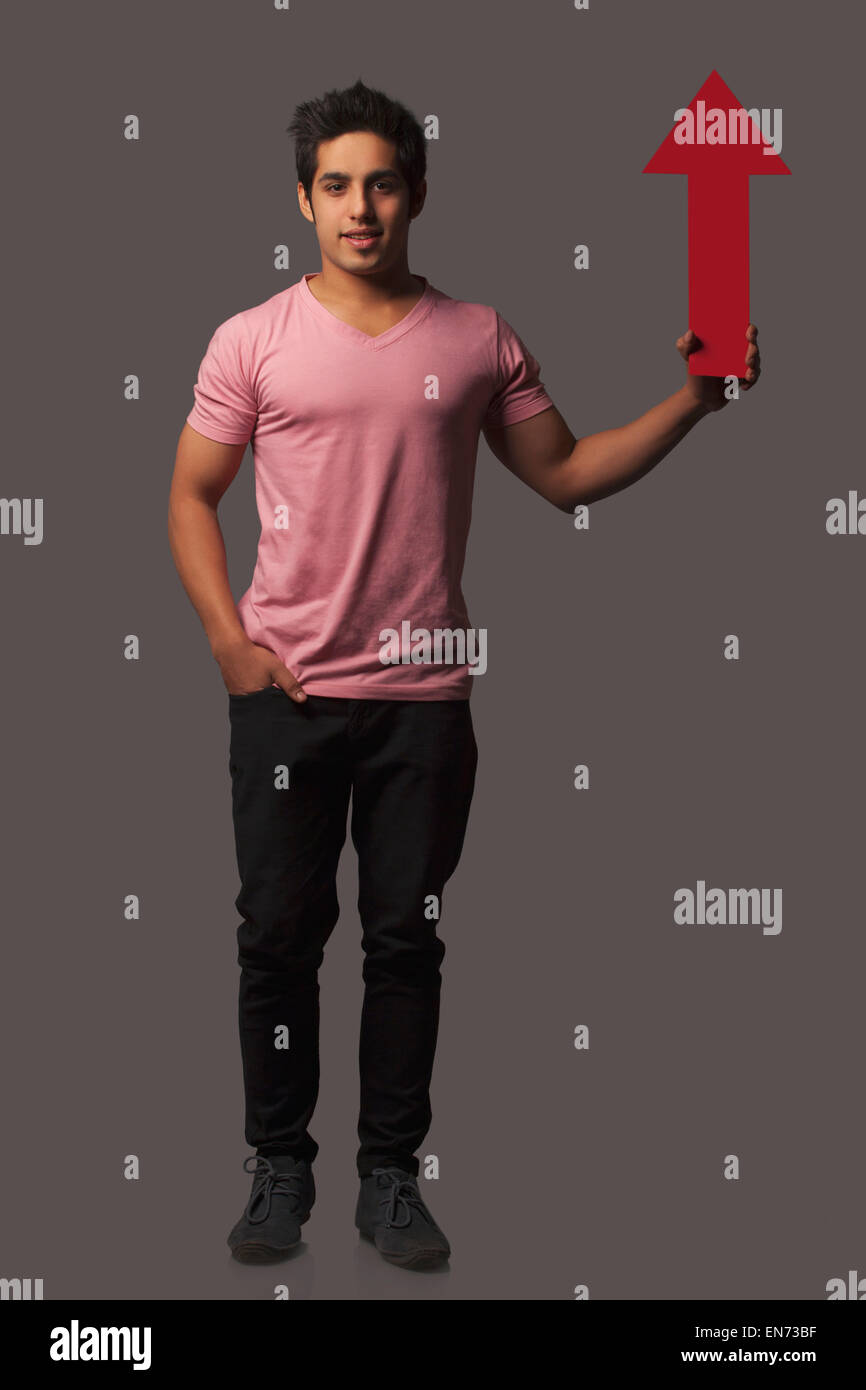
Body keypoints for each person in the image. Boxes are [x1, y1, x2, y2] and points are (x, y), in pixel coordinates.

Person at [167, 78, 761, 1271]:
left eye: (380, 182)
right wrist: (229, 642)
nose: (358, 206)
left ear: (416, 195)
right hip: (283, 703)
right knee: (276, 941)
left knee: (405, 943)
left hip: (423, 709)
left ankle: (390, 1178)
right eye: (334, 184)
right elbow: (190, 493)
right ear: (302, 198)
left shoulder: (478, 336)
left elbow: (570, 473)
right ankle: (278, 1167)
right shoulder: (251, 338)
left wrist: (694, 401)